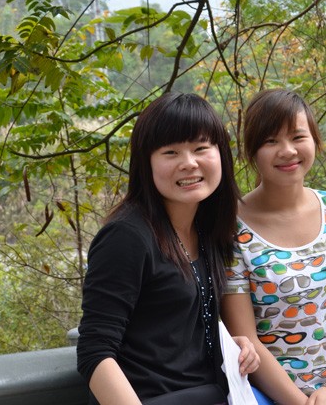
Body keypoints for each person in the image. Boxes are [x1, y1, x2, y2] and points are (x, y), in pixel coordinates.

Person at [76, 92, 259, 405]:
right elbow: (95, 351)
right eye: (170, 152)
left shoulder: (208, 228)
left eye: (201, 148)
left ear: (221, 154)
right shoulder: (126, 236)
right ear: (146, 163)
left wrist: (228, 346)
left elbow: (171, 333)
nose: (189, 163)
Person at [222, 89, 326, 405]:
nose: (287, 151)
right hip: (264, 397)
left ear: (315, 141)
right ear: (251, 151)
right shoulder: (231, 227)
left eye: (298, 137)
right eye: (271, 141)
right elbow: (245, 337)